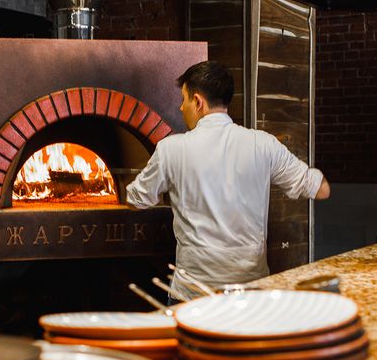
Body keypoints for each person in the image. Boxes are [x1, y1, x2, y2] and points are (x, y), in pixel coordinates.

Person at [125, 61, 330, 300]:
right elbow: (320, 190)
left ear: (198, 102)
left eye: (184, 99)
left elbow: (136, 199)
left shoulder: (171, 149)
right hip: (250, 291)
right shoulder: (262, 144)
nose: (181, 108)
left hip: (192, 295)